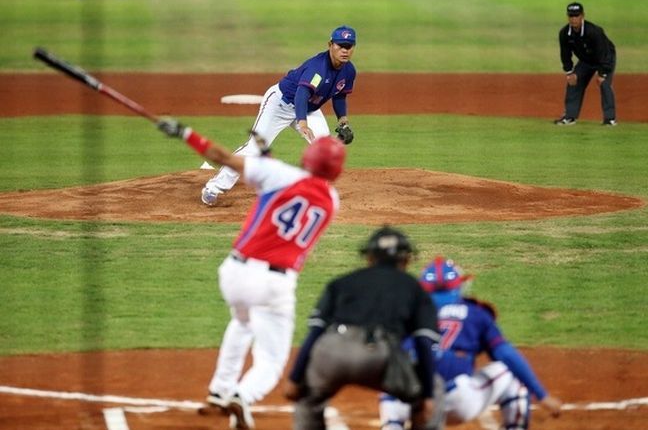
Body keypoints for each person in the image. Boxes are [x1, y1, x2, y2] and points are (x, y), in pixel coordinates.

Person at [156, 118, 346, 430]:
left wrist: (187, 134)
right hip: (274, 283)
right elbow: (293, 193)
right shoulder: (332, 201)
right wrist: (269, 162)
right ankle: (242, 395)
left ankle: (220, 390)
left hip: (234, 273)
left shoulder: (278, 174)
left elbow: (222, 157)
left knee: (242, 322)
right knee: (271, 360)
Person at [284, 226, 442, 430]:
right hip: (379, 355)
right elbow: (423, 342)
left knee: (308, 399)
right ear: (406, 259)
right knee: (436, 387)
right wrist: (427, 396)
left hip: (332, 351)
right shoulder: (414, 288)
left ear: (369, 257)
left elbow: (315, 332)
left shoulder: (341, 282)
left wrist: (295, 378)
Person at [379, 256, 562, 430]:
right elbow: (506, 354)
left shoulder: (407, 313)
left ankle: (392, 425)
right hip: (458, 401)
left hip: (413, 400)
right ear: (459, 286)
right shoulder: (474, 312)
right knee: (511, 372)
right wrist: (542, 395)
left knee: (394, 379)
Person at [201, 25, 357, 206]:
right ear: (330, 44)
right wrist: (302, 123)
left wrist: (343, 121)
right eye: (340, 45)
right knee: (255, 148)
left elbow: (340, 95)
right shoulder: (318, 68)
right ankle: (213, 188)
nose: (345, 50)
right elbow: (302, 94)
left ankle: (317, 191)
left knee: (324, 149)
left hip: (310, 110)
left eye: (349, 46)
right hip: (280, 105)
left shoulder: (349, 70)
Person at [554, 2, 617, 126]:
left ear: (582, 16)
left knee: (604, 84)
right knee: (573, 80)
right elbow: (565, 54)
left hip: (605, 58)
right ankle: (570, 117)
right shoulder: (565, 33)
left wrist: (602, 73)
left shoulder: (594, 31)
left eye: (576, 16)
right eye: (571, 16)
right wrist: (569, 72)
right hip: (586, 61)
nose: (573, 19)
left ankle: (610, 119)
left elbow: (604, 53)